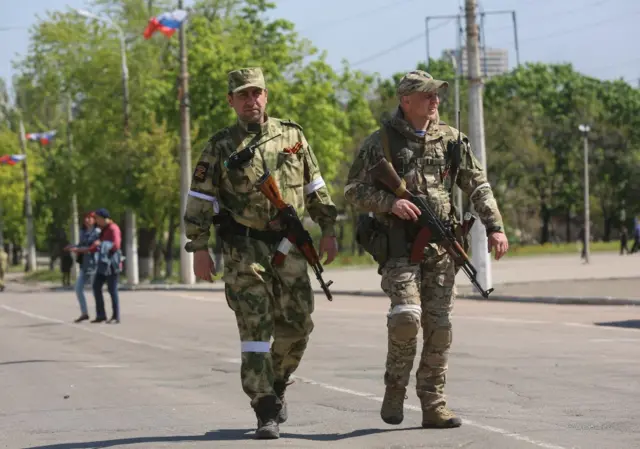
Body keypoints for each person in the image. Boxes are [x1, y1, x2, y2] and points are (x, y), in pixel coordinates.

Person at [344, 70, 509, 429]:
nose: (435, 100)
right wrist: (390, 203)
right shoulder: (382, 141)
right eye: (427, 95)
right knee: (407, 317)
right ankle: (395, 386)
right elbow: (352, 191)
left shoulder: (452, 139)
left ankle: (434, 404)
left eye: (437, 95)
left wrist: (494, 226)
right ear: (406, 101)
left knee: (440, 328)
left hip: (442, 248)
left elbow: (477, 184)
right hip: (399, 247)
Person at [183, 67, 338, 439]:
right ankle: (264, 408)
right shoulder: (219, 146)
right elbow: (200, 198)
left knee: (299, 325)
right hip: (243, 248)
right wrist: (198, 247)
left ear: (266, 96)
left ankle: (278, 381)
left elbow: (315, 186)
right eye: (243, 94)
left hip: (289, 245)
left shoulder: (293, 136)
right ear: (231, 101)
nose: (251, 100)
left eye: (257, 93)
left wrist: (329, 229)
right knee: (255, 328)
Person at [75, 208, 122, 323]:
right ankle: (101, 315)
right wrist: (82, 250)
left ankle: (116, 316)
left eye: (97, 218)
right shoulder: (104, 230)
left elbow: (116, 245)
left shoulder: (113, 228)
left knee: (112, 289)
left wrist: (102, 245)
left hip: (112, 263)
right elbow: (95, 246)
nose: (96, 221)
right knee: (96, 287)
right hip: (103, 263)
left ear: (102, 218)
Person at [64, 212, 101, 322]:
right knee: (78, 288)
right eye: (86, 218)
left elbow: (93, 247)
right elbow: (80, 245)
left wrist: (78, 250)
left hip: (94, 264)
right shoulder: (83, 232)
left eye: (90, 218)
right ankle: (84, 313)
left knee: (96, 290)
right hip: (84, 265)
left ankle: (100, 314)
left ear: (94, 220)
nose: (87, 220)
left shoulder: (97, 232)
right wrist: (72, 247)